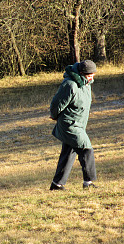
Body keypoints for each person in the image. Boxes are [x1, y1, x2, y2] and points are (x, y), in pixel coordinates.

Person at [49, 60, 98, 190]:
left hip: (79, 124)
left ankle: (57, 184)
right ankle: (88, 182)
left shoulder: (86, 84)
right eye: (89, 75)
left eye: (93, 74)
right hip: (69, 124)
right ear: (81, 73)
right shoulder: (70, 85)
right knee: (86, 148)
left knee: (68, 153)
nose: (92, 78)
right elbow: (56, 103)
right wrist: (54, 115)